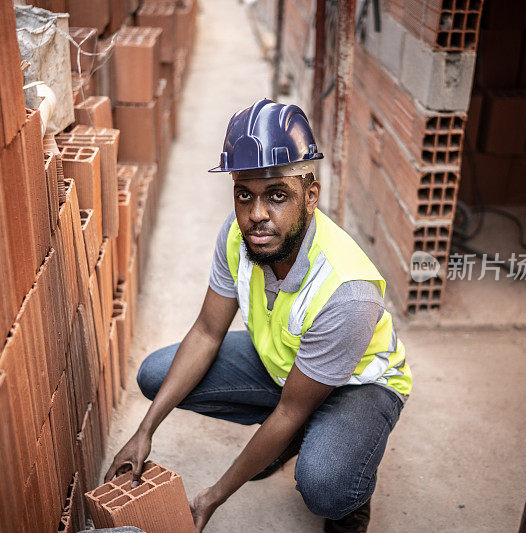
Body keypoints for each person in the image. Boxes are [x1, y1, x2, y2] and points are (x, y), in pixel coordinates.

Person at [104, 98, 412, 532]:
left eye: (277, 195)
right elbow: (208, 332)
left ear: (310, 196)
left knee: (326, 484)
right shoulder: (236, 237)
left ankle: (350, 503)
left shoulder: (348, 290)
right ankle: (288, 441)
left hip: (358, 385)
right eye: (244, 194)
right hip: (287, 366)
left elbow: (289, 410)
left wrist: (212, 497)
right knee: (156, 375)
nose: (257, 215)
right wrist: (144, 431)